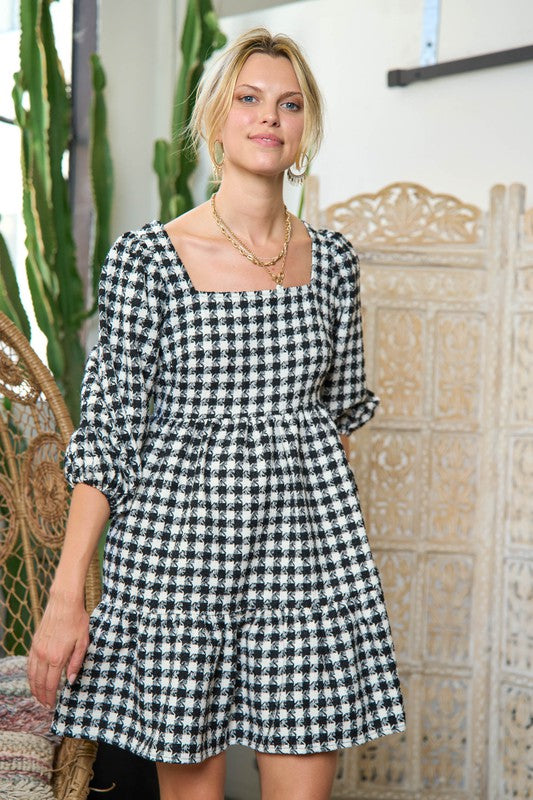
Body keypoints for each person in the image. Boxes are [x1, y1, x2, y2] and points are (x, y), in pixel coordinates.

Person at [28, 27, 406, 800]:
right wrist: (68, 595)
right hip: (177, 559)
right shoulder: (147, 258)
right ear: (215, 120)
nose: (269, 116)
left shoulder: (333, 263)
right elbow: (109, 436)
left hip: (301, 562)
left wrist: (318, 529)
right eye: (249, 98)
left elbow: (336, 416)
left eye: (289, 104)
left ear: (305, 127)